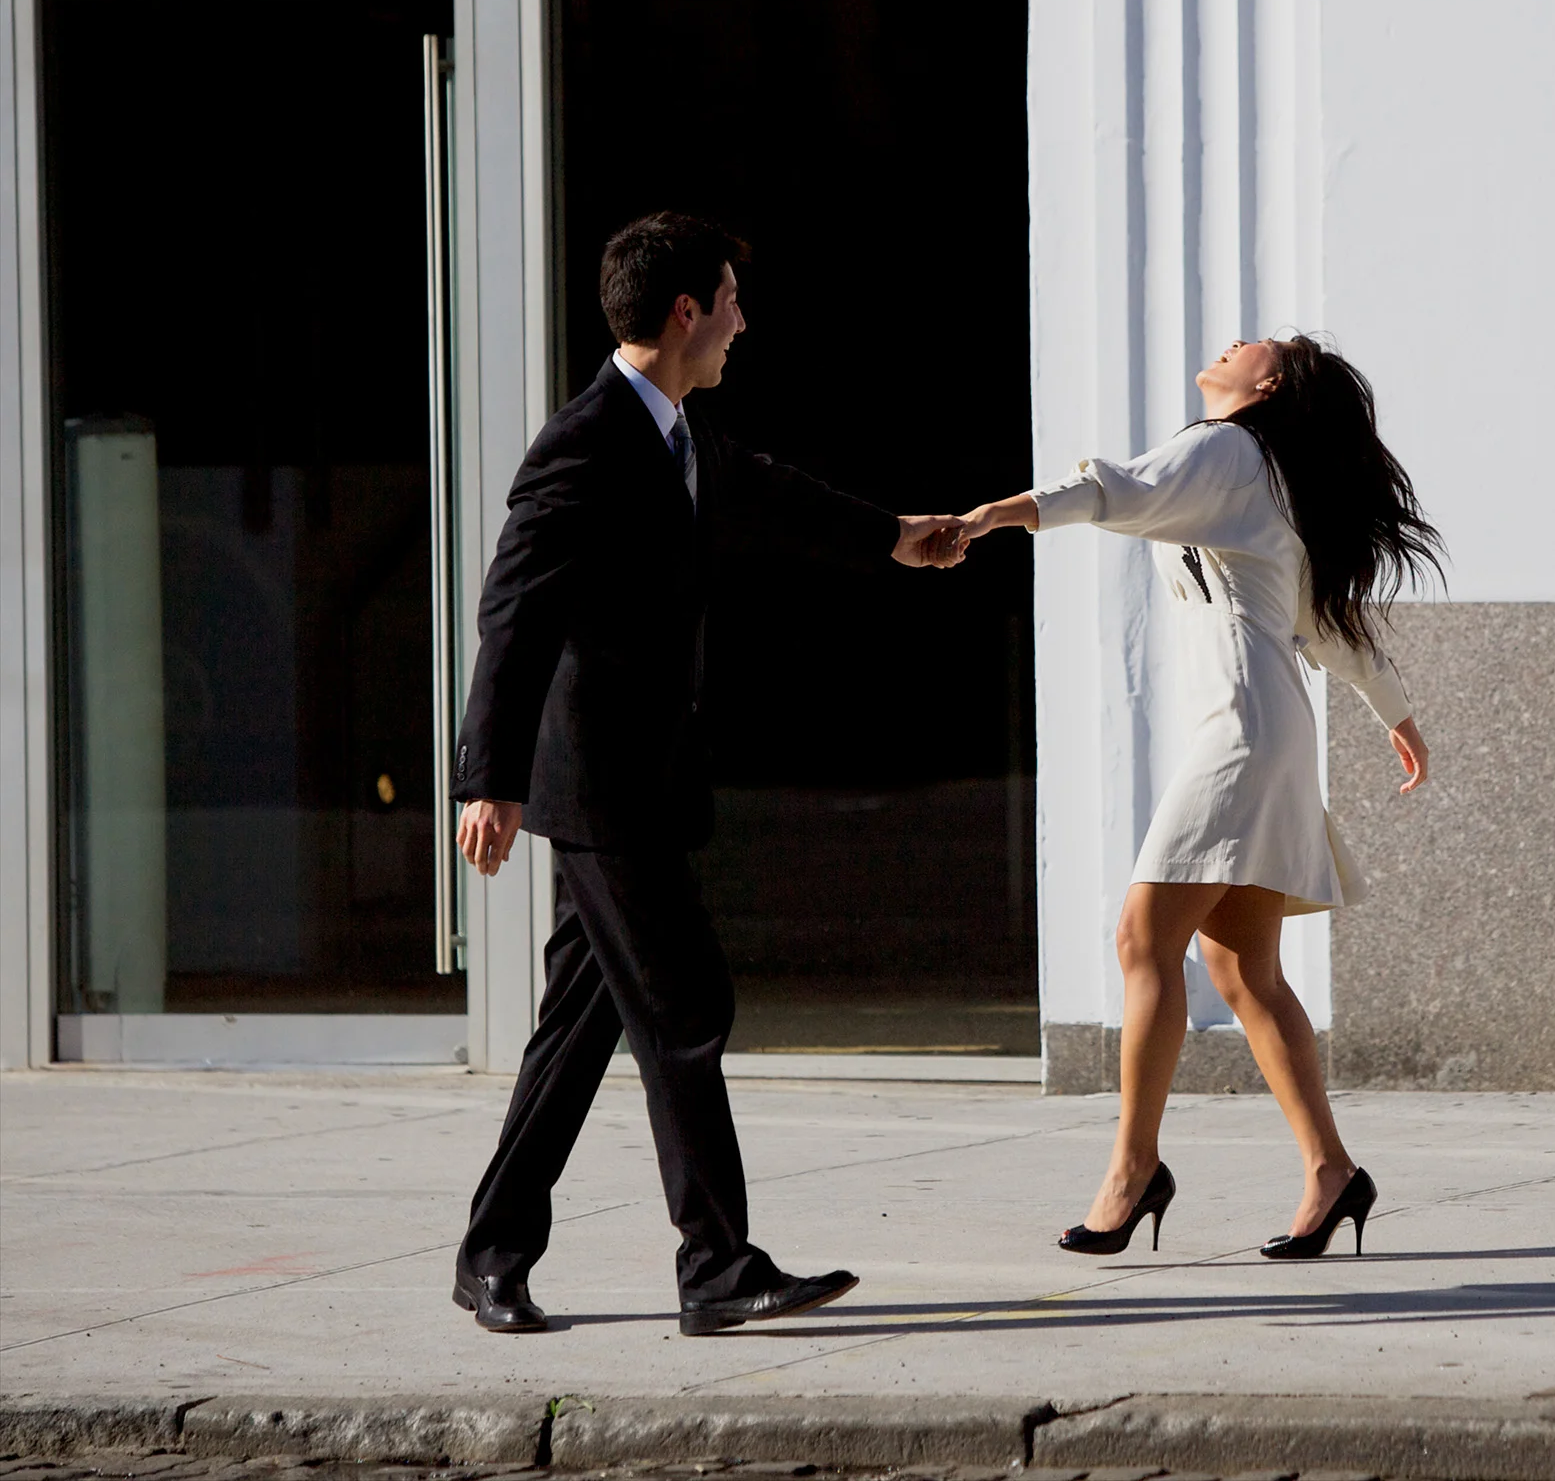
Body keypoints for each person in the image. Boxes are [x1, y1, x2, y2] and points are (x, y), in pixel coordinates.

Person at [449, 212, 965, 1336]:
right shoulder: (584, 443)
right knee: (685, 1005)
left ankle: (492, 1250)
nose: (742, 320)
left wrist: (896, 536)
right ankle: (716, 1267)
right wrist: (485, 776)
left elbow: (774, 494)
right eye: (731, 299)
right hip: (597, 786)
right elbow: (514, 610)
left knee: (580, 1023)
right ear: (685, 311)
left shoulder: (680, 435)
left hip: (644, 778)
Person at [958, 335, 1442, 1260]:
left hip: (1247, 731)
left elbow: (1113, 490)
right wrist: (1398, 716)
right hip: (1262, 724)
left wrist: (992, 516)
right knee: (1243, 973)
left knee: (1146, 938)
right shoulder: (1266, 476)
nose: (1237, 340)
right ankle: (1332, 1172)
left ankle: (1132, 1172)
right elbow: (1329, 628)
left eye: (1265, 346)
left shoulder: (1226, 449)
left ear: (1267, 387)